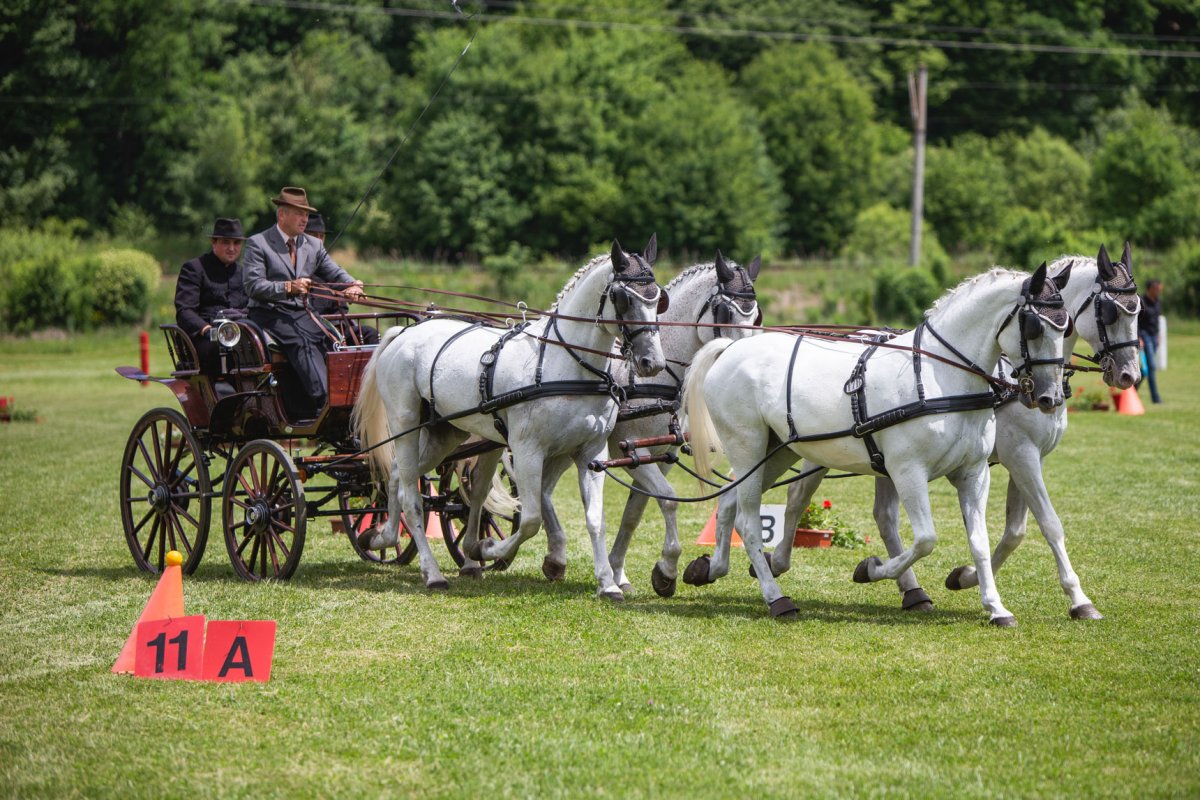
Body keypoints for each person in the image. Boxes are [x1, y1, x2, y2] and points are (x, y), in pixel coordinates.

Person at [243, 187, 365, 418]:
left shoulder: (313, 245)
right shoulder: (258, 244)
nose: (305, 219)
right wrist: (288, 287)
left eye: (306, 214)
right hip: (268, 314)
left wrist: (352, 284)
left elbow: (334, 272)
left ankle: (347, 401)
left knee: (332, 339)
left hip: (300, 312)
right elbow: (253, 285)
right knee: (301, 342)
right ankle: (324, 403)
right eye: (299, 213)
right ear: (282, 214)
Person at [174, 218, 248, 379]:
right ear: (214, 243)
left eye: (236, 243)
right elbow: (184, 310)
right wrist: (207, 330)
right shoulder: (194, 269)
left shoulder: (244, 273)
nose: (231, 248)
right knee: (221, 349)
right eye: (226, 242)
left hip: (240, 336)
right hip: (205, 339)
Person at [304, 213, 379, 345]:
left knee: (370, 334)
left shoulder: (326, 265)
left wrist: (353, 287)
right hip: (311, 330)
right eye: (313, 236)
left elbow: (340, 277)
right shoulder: (294, 265)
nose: (318, 241)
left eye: (321, 236)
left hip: (339, 330)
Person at [1137, 278, 1164, 404]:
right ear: (1150, 289)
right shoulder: (1142, 301)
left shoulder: (1157, 301)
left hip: (1154, 337)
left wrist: (1159, 335)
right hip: (1144, 335)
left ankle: (1133, 390)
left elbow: (1157, 320)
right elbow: (1136, 321)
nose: (1159, 290)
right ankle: (1155, 398)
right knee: (1152, 367)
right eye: (1156, 288)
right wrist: (1139, 337)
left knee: (1145, 369)